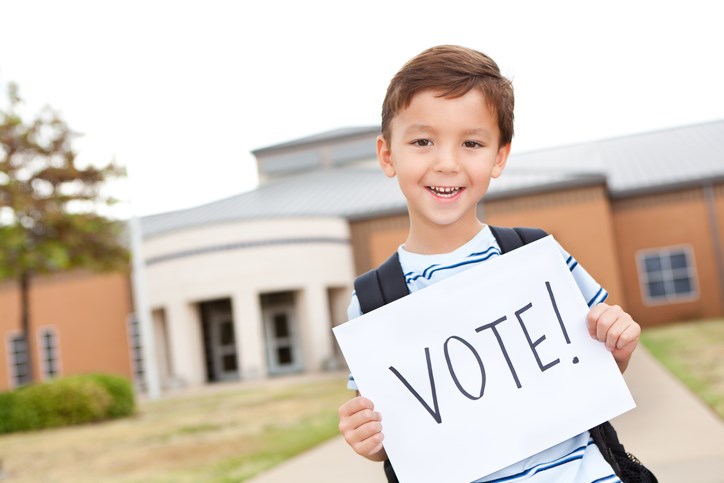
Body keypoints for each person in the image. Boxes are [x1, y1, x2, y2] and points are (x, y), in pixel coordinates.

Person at [337, 45, 642, 482]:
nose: (447, 163)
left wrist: (618, 344)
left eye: (472, 143)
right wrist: (370, 440)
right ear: (388, 155)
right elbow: (398, 436)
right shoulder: (374, 300)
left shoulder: (537, 256)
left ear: (499, 156)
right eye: (422, 141)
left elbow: (597, 373)